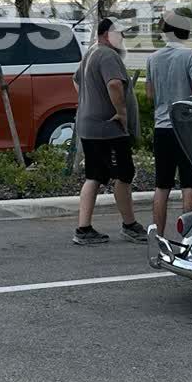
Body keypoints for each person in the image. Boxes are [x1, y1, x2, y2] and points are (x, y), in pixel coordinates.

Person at [73, 16, 146, 245]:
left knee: (94, 176)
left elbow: (75, 80)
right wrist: (121, 112)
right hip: (109, 129)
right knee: (123, 175)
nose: (122, 37)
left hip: (89, 126)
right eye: (119, 33)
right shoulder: (108, 55)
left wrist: (90, 102)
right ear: (107, 35)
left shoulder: (91, 53)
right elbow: (114, 84)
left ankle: (83, 229)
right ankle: (129, 225)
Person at [145, 16, 192, 238]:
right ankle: (188, 238)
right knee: (189, 184)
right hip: (186, 128)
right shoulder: (190, 56)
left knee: (162, 186)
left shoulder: (152, 58)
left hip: (162, 127)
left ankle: (159, 237)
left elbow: (150, 94)